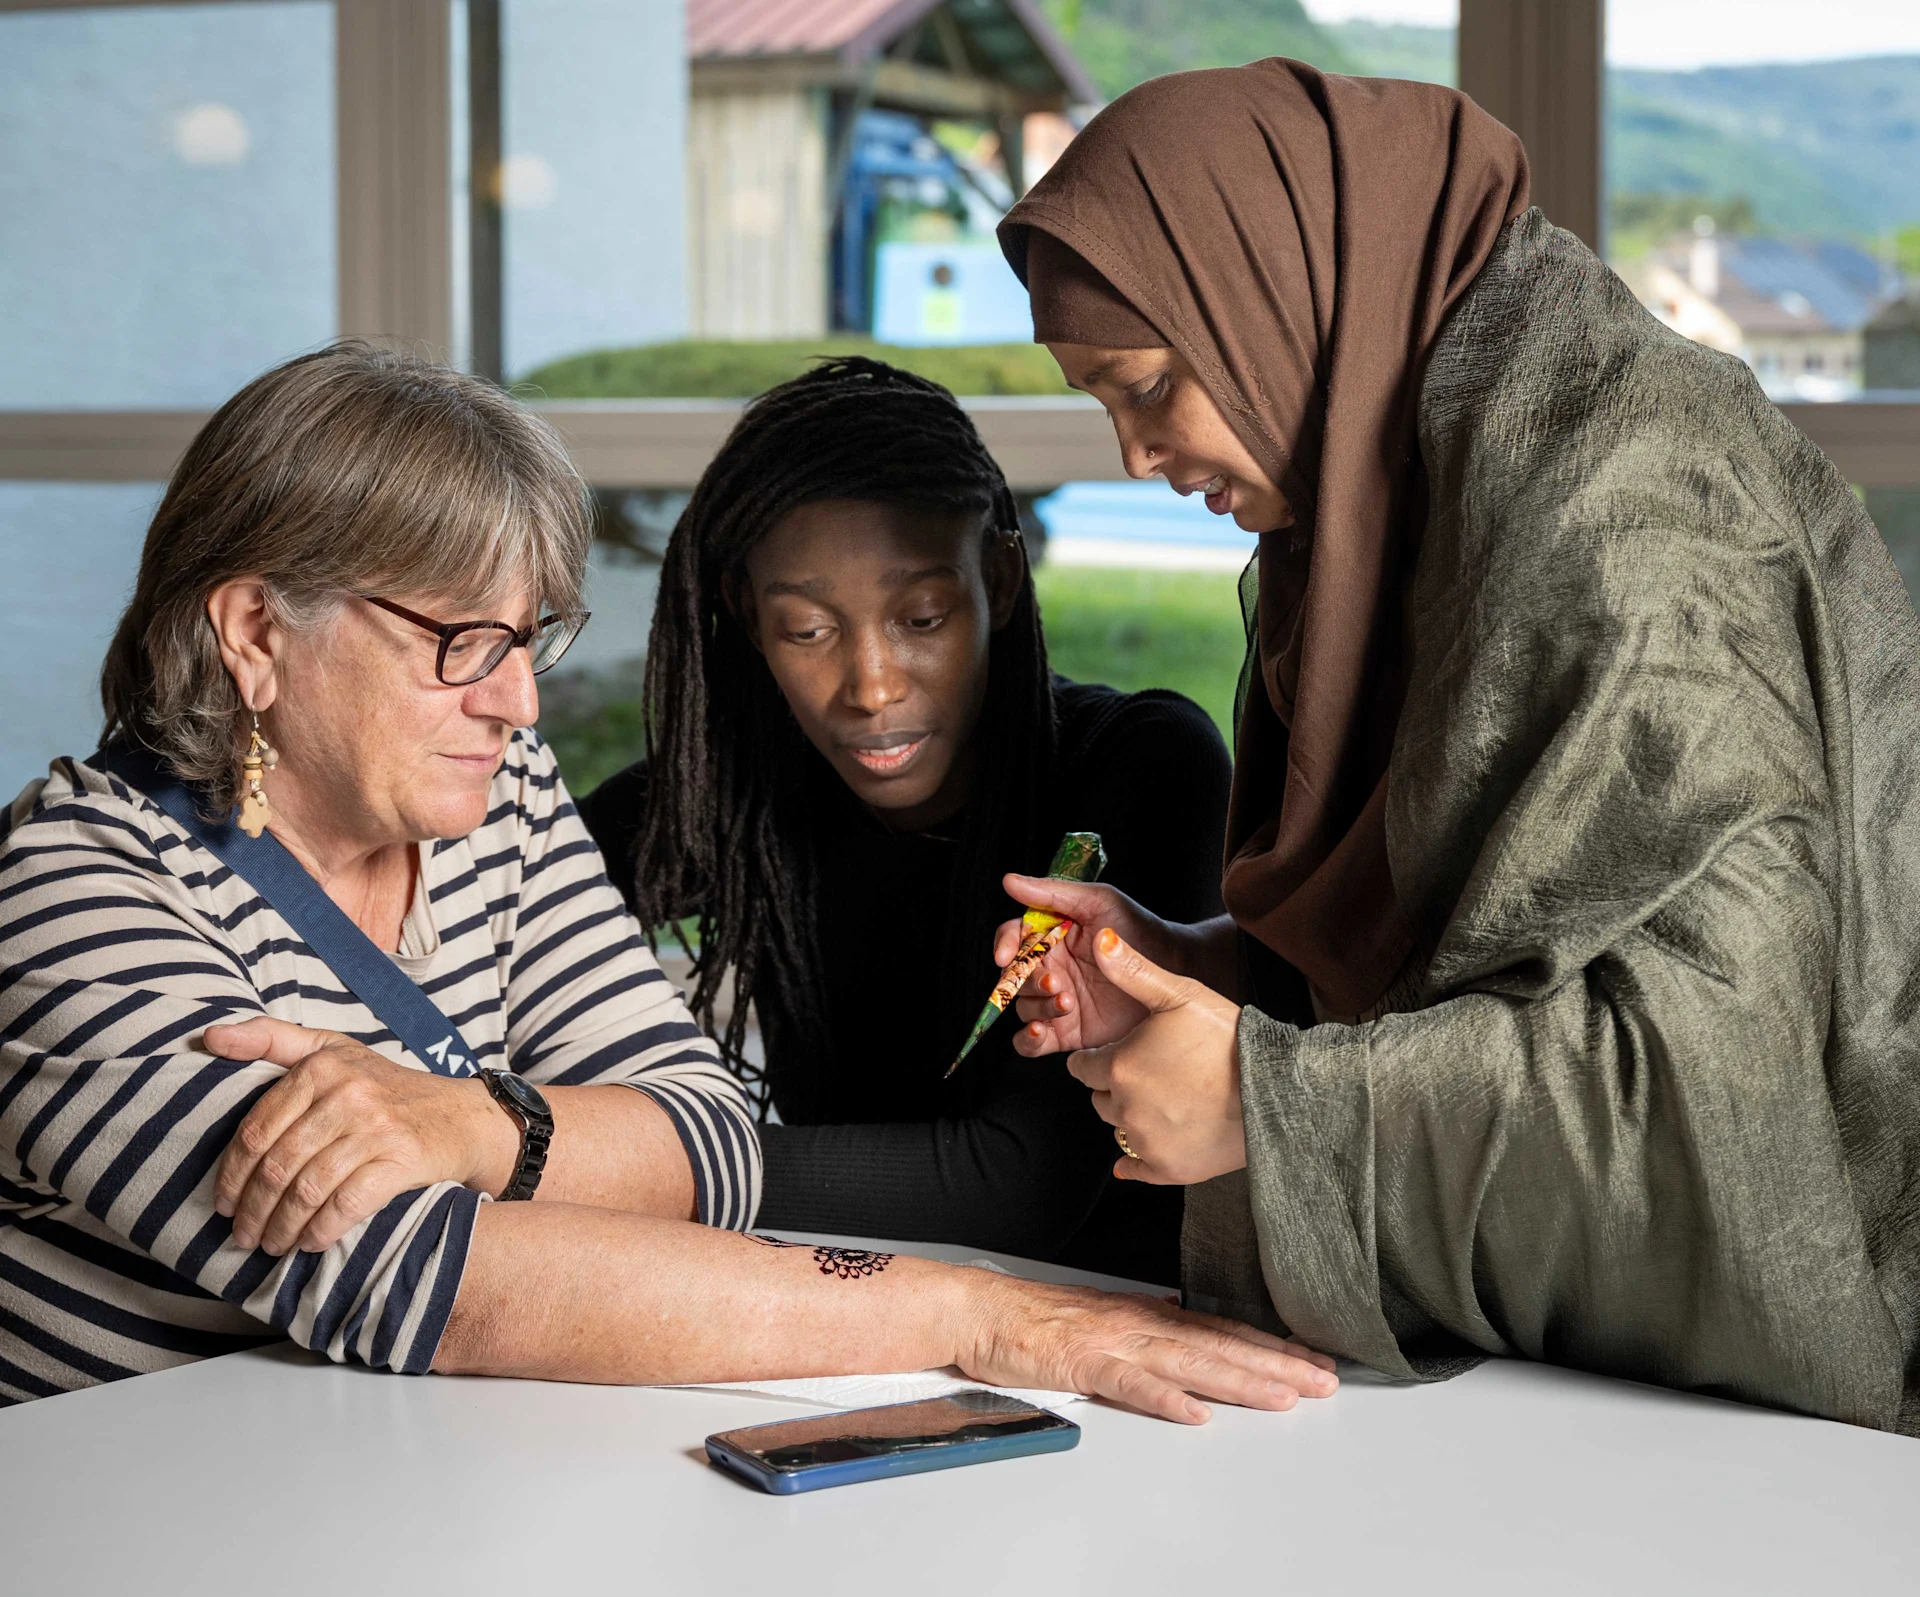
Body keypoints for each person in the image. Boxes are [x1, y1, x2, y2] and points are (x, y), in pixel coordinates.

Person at [0, 341, 1336, 1422]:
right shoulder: (68, 889)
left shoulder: (491, 805)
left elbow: (701, 1134)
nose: (523, 703)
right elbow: (427, 1278)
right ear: (254, 633)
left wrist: (473, 1130)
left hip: (389, 1478)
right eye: (466, 642)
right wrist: (974, 1314)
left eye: (531, 638)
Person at [987, 59, 1920, 1434]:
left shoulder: (1627, 500)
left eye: (1153, 385)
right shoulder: (1400, 484)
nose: (1135, 455)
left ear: (1273, 296)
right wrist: (1198, 971)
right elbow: (1480, 933)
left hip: (1795, 1459)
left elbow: (1709, 1095)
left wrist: (1266, 1100)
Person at [580, 358, 1230, 1285]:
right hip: (828, 1317)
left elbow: (1017, 1183)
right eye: (807, 630)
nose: (872, 686)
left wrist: (622, 1159)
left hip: (1119, 1329)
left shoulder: (1139, 764)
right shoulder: (737, 794)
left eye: (923, 618)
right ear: (747, 619)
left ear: (999, 581)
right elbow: (503, 909)